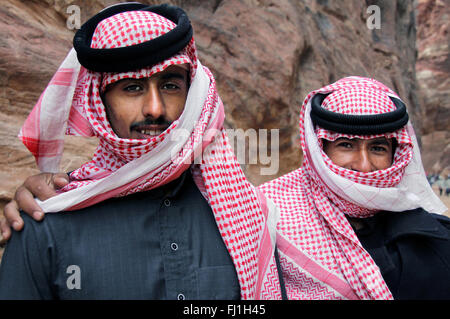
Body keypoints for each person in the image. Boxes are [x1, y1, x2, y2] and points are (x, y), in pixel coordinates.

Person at [0, 3, 284, 300]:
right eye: (132, 87)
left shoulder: (246, 215)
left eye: (170, 85)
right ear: (100, 102)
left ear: (193, 93)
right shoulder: (46, 225)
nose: (155, 109)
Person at [259, 76, 450, 300]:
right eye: (346, 145)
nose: (364, 165)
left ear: (395, 154)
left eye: (378, 148)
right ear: (321, 148)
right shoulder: (269, 214)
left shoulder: (434, 239)